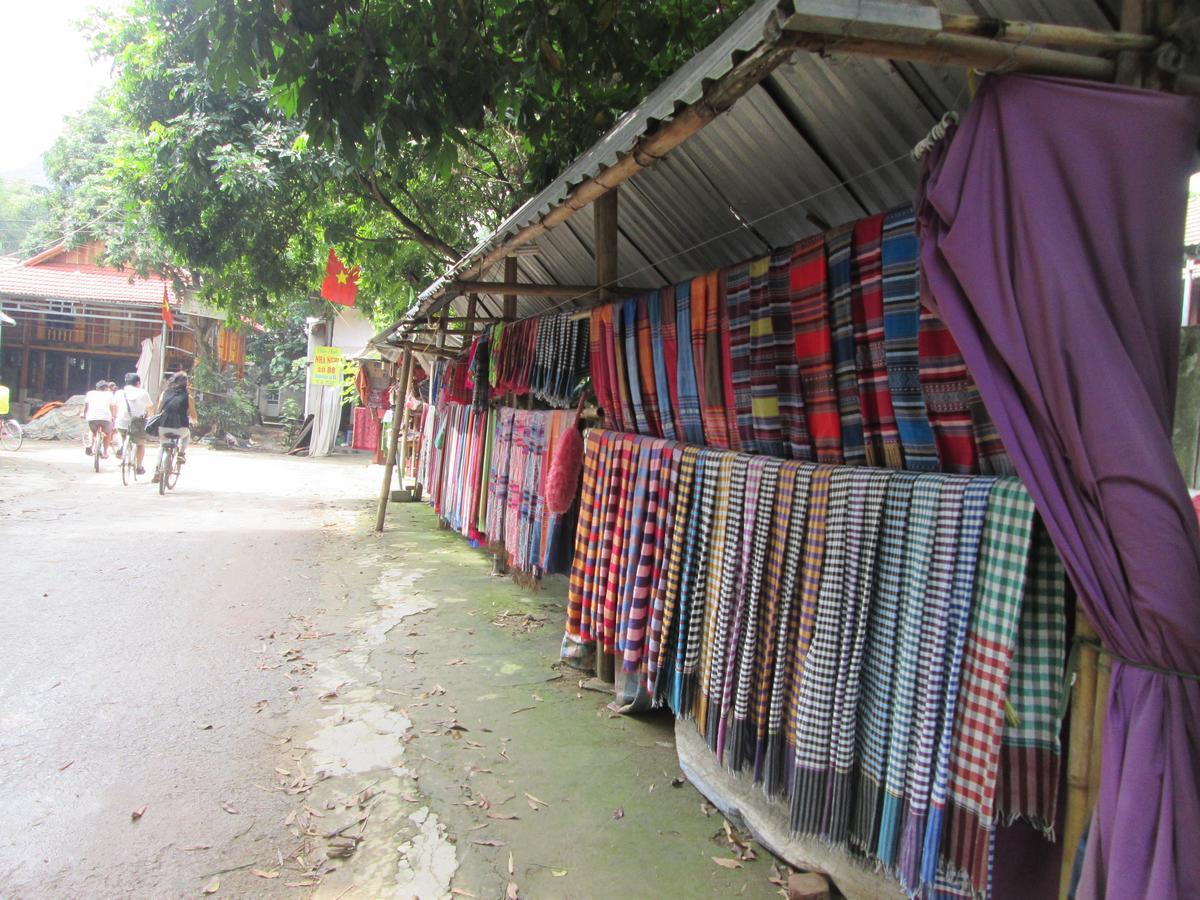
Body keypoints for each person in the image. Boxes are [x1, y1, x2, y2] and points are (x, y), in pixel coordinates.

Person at [154, 372, 195, 480]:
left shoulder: (164, 393)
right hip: (180, 428)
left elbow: (158, 410)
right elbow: (193, 415)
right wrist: (194, 421)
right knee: (187, 435)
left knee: (162, 445)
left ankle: (157, 470)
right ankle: (181, 453)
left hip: (163, 426)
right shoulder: (188, 397)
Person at [115, 372, 153, 475]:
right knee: (140, 444)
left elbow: (115, 407)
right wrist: (150, 418)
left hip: (121, 422)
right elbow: (150, 408)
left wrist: (115, 416)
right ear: (138, 383)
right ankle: (139, 467)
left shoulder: (119, 393)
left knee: (119, 432)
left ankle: (121, 446)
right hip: (137, 424)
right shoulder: (143, 392)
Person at [81, 379, 116, 457]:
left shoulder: (90, 393)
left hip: (92, 417)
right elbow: (112, 407)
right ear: (106, 388)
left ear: (97, 388)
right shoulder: (110, 394)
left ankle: (90, 445)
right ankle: (105, 452)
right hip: (106, 418)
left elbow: (86, 407)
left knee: (92, 431)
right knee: (107, 433)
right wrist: (114, 417)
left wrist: (84, 414)